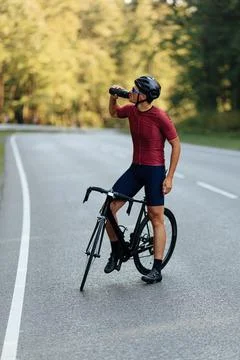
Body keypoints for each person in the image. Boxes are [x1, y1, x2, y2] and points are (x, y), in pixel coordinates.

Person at [105, 75, 181, 284]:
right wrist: (114, 96)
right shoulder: (131, 110)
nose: (130, 91)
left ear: (145, 96)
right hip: (135, 169)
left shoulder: (160, 116)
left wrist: (170, 177)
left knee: (156, 216)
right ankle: (116, 251)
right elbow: (113, 112)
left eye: (134, 90)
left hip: (155, 171)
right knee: (108, 208)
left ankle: (156, 269)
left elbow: (176, 144)